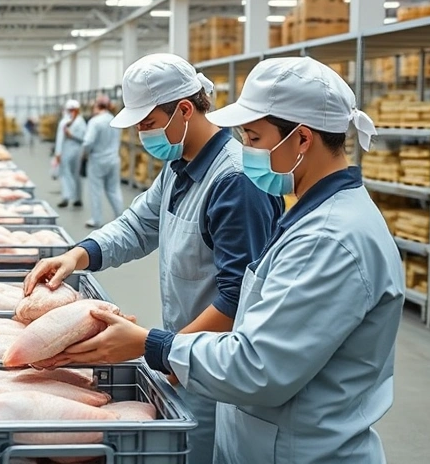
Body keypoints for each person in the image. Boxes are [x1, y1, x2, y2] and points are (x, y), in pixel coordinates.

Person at [37, 57, 404, 464]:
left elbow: (259, 365)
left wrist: (154, 347)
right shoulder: (310, 215)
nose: (245, 148)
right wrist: (81, 253)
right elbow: (142, 223)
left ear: (302, 139)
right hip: (240, 406)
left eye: (253, 136)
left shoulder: (328, 238)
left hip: (299, 447)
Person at [24, 53, 282, 464]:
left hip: (211, 366)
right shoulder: (181, 166)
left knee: (201, 452)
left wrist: (166, 351)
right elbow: (138, 225)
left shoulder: (234, 182)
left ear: (184, 110)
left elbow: (238, 298)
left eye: (148, 123)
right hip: (183, 355)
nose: (144, 134)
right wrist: (78, 255)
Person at [81, 95, 124, 227]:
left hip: (98, 160)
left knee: (96, 190)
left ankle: (96, 219)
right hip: (113, 159)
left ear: (96, 106)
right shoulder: (115, 120)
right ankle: (121, 218)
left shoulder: (95, 122)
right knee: (114, 189)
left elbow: (88, 142)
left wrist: (84, 155)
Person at [53, 99, 86, 208]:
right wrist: (58, 153)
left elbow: (84, 138)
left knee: (76, 175)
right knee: (65, 174)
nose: (71, 112)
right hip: (65, 151)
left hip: (77, 151)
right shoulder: (64, 122)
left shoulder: (81, 122)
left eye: (73, 110)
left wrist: (71, 135)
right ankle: (66, 197)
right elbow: (59, 139)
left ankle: (77, 198)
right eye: (69, 110)